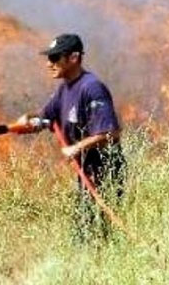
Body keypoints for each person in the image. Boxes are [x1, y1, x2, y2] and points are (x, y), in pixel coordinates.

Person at [17, 33, 125, 240]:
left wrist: (77, 148)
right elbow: (46, 117)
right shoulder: (64, 89)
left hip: (105, 167)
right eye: (49, 58)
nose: (49, 64)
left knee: (96, 231)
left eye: (55, 58)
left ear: (74, 58)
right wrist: (28, 120)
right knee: (83, 230)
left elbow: (111, 132)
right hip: (87, 169)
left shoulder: (91, 88)